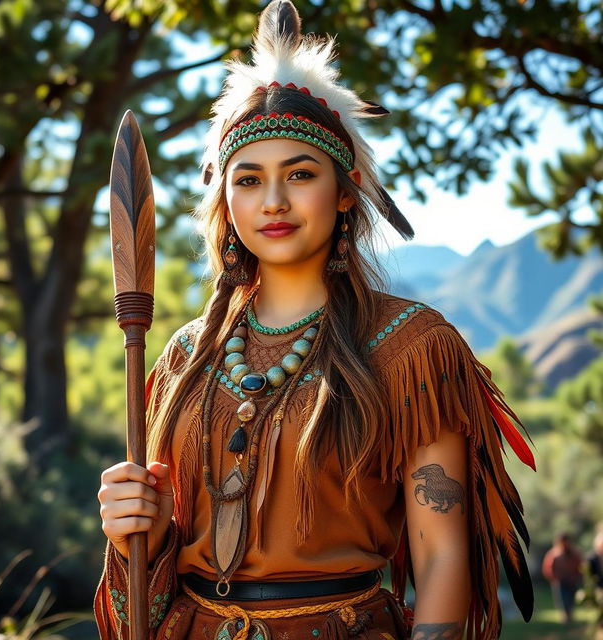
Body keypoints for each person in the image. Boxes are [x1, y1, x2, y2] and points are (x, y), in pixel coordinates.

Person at [94, 2, 535, 638]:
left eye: (300, 174)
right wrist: (140, 525)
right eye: (248, 180)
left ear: (347, 189)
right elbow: (154, 567)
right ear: (226, 201)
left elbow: (442, 556)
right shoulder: (184, 359)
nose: (273, 201)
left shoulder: (412, 349)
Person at [542, 533, 583, 623]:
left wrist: (577, 576)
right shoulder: (553, 554)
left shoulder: (574, 553)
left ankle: (570, 616)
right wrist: (555, 578)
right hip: (559, 582)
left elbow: (580, 566)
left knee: (571, 599)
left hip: (572, 581)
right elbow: (548, 568)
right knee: (563, 600)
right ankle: (565, 617)